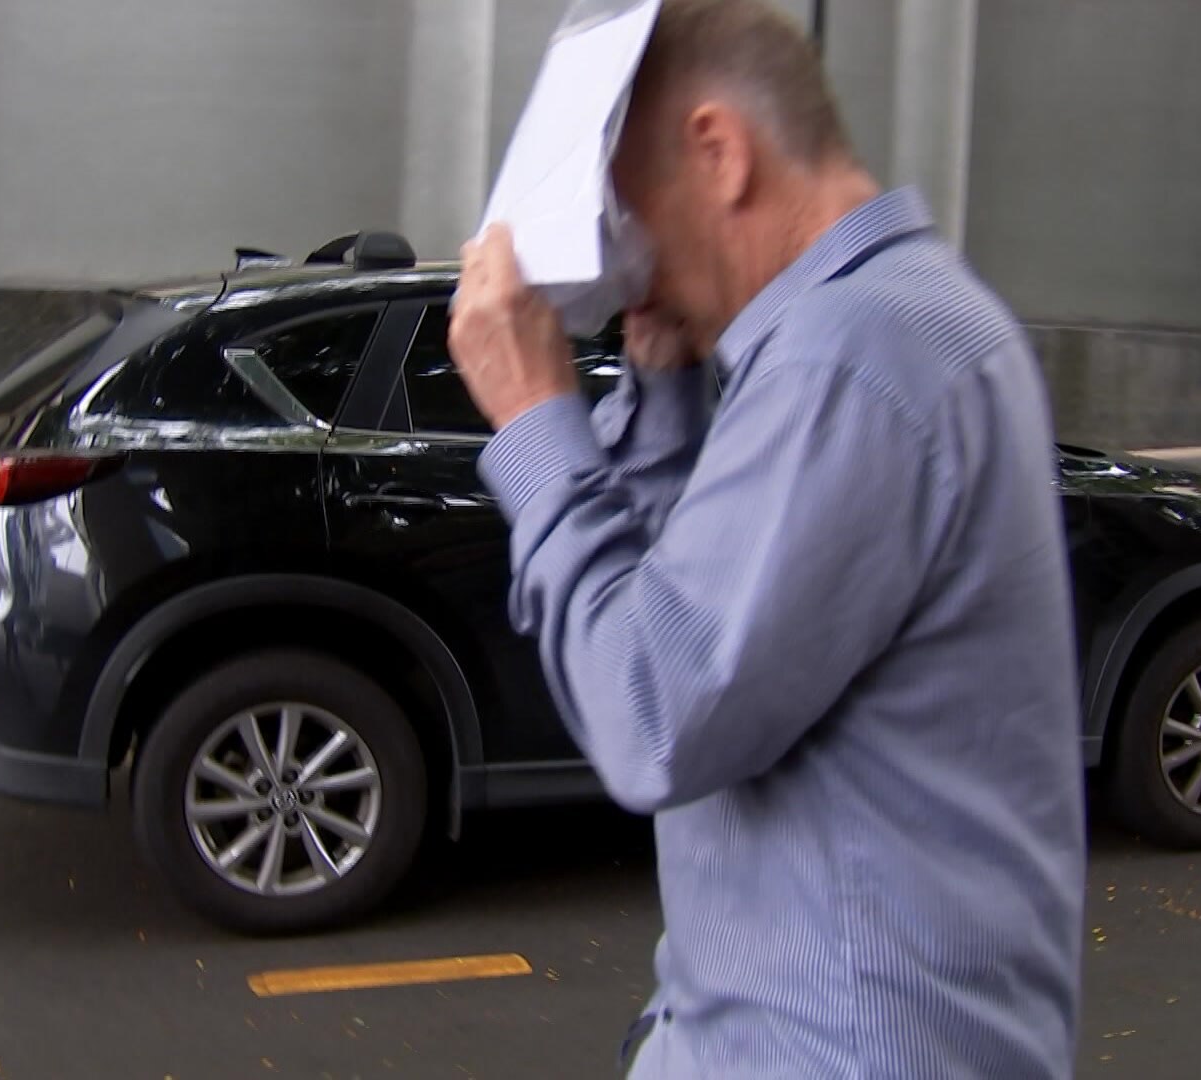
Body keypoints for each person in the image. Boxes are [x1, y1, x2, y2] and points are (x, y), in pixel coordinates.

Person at [446, 1, 1086, 1076]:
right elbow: (690, 610)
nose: (626, 260)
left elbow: (653, 712)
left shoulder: (849, 358)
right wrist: (657, 385)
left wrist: (532, 422)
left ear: (720, 152)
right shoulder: (906, 320)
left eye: (627, 211)